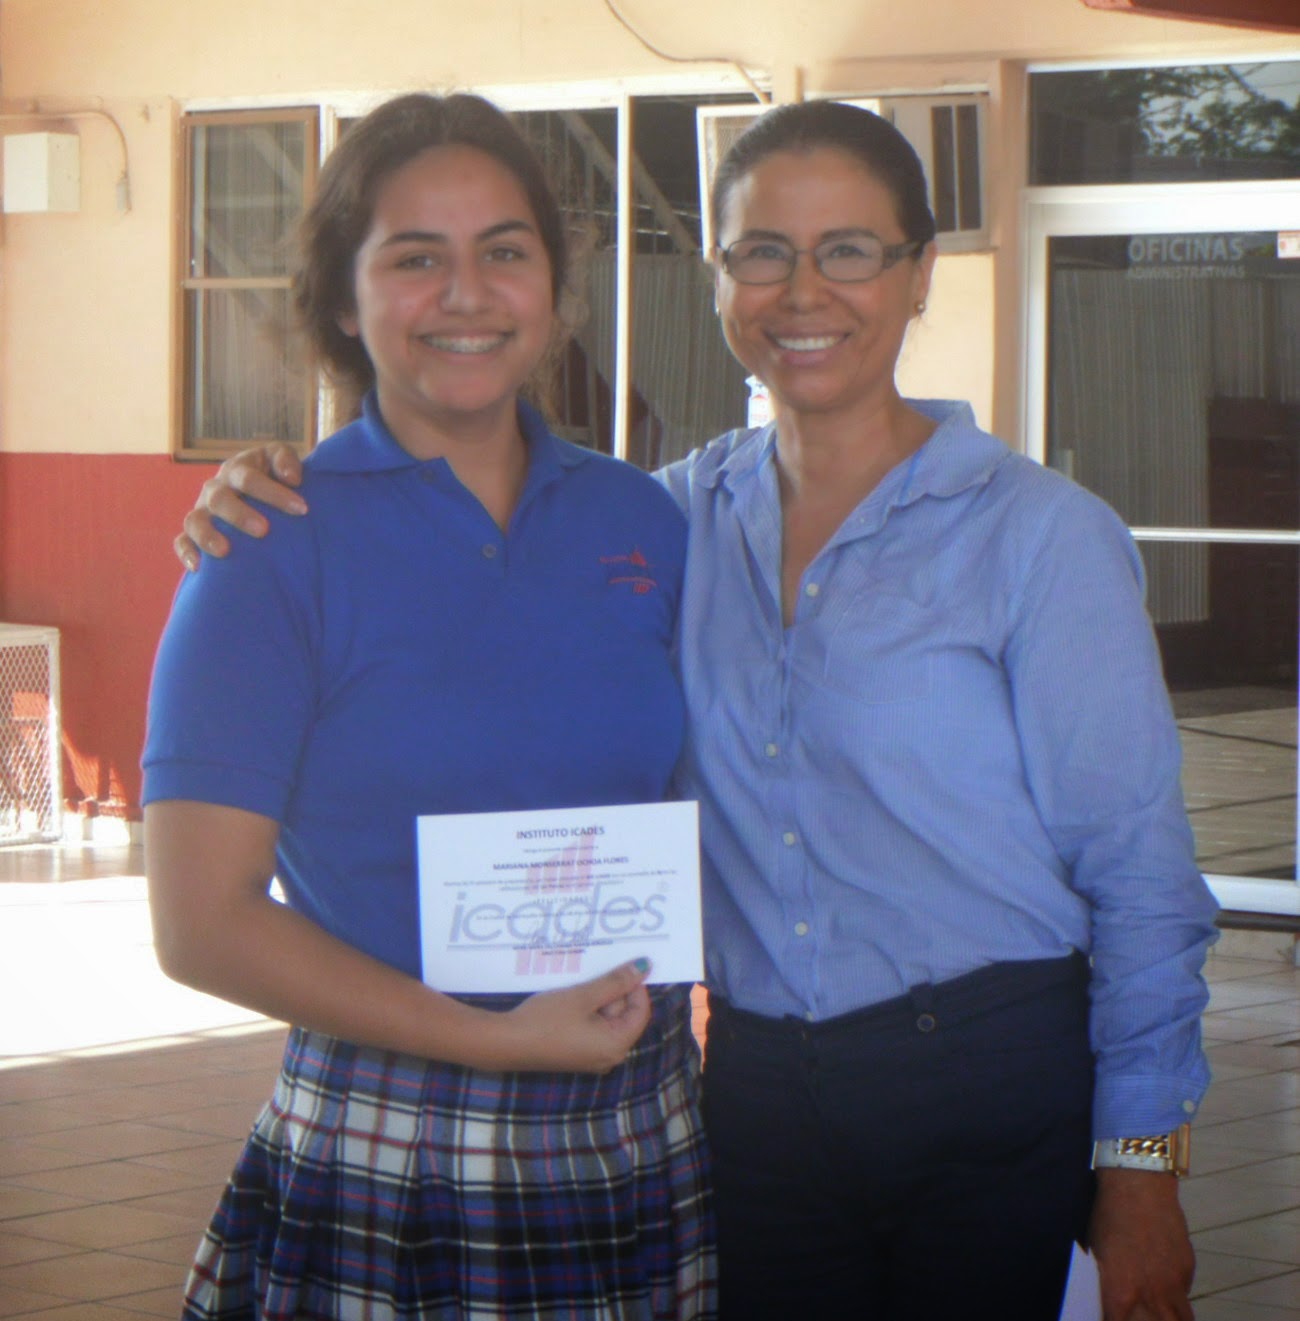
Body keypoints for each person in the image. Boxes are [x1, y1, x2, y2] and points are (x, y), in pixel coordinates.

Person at [173, 99, 1218, 1321]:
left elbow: (1141, 874)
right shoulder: (668, 518)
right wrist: (256, 483)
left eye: (848, 249)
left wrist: (1141, 1165)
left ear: (918, 272)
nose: (803, 290)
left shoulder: (1017, 535)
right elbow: (204, 913)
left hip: (945, 1091)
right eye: (762, 252)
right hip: (734, 1106)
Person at [143, 92, 716, 1321]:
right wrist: (497, 1037)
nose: (466, 293)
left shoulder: (641, 520)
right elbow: (199, 923)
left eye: (504, 250)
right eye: (415, 258)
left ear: (553, 289)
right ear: (345, 303)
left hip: (636, 1126)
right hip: (396, 1144)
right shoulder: (269, 545)